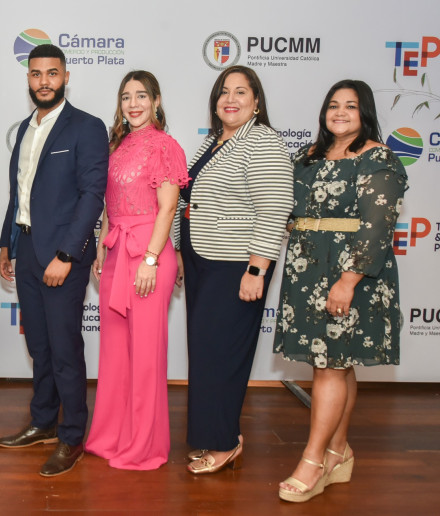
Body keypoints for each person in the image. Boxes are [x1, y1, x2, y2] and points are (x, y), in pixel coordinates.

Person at [275, 80, 407, 503]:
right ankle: (338, 451)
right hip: (307, 273)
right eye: (333, 105)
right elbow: (289, 207)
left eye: (351, 106)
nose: (340, 112)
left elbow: (377, 225)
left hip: (351, 276)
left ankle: (313, 462)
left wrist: (348, 280)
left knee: (329, 366)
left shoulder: (377, 158)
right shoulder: (308, 157)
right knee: (338, 363)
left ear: (364, 112)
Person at [0, 43, 109, 477]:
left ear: (65, 76)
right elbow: (20, 192)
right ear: (28, 78)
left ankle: (72, 435)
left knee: (64, 350)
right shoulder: (25, 128)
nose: (44, 81)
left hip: (62, 257)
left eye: (52, 73)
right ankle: (43, 421)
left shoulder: (86, 127)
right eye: (36, 74)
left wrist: (66, 254)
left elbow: (91, 196)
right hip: (25, 252)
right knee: (39, 347)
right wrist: (8, 243)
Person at [174, 65, 293, 474]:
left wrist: (257, 270)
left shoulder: (263, 142)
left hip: (237, 264)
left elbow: (274, 208)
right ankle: (219, 433)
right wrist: (175, 249)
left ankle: (223, 444)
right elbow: (185, 197)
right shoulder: (213, 142)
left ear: (256, 102)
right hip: (203, 258)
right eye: (224, 91)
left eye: (241, 92)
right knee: (207, 352)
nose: (231, 98)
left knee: (222, 354)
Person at [85, 71, 189, 470]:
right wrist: (101, 247)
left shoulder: (164, 146)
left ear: (156, 101)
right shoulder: (117, 145)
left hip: (149, 251)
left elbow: (167, 208)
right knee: (115, 354)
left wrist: (149, 258)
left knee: (145, 355)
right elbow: (110, 205)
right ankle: (111, 435)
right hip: (116, 250)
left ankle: (144, 445)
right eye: (126, 97)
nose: (133, 104)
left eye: (141, 96)